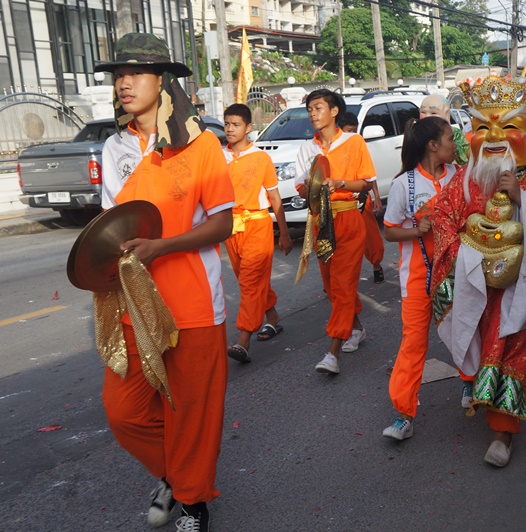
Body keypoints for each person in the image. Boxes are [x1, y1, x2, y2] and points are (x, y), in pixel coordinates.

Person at [95, 33, 235, 531]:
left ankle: (194, 503)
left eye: (134, 73)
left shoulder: (201, 146)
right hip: (135, 302)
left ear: (163, 80)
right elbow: (112, 223)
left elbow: (221, 222)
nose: (123, 83)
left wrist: (162, 246)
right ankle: (175, 476)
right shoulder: (113, 148)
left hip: (194, 301)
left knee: (193, 412)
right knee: (124, 411)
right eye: (117, 74)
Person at [432, 72, 526, 467]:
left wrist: (521, 198)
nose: (493, 135)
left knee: (513, 355)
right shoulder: (462, 182)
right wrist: (468, 258)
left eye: (508, 126)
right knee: (482, 349)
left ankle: (502, 435)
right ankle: (484, 401)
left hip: (518, 291)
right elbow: (443, 221)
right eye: (480, 127)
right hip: (475, 287)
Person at [381, 116, 457, 440]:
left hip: (456, 274)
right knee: (413, 344)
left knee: (463, 334)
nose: (456, 145)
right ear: (433, 146)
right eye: (450, 139)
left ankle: (471, 384)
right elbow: (389, 231)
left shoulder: (459, 176)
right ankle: (403, 415)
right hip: (417, 278)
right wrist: (417, 229)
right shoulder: (405, 184)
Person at [295, 89, 376, 374]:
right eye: (309, 109)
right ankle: (357, 328)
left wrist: (340, 183)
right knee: (332, 286)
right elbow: (302, 188)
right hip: (321, 223)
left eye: (318, 108)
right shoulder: (308, 149)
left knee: (342, 284)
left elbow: (366, 183)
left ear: (334, 112)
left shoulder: (354, 142)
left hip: (349, 219)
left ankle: (333, 352)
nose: (313, 114)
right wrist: (313, 187)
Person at [223, 103, 293, 363]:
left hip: (258, 225)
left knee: (251, 282)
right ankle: (272, 319)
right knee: (249, 282)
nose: (230, 129)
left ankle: (243, 338)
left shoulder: (261, 158)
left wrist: (283, 232)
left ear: (248, 128)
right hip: (231, 228)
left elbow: (274, 196)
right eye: (227, 124)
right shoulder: (220, 157)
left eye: (236, 124)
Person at [340, 111, 385, 283]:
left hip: (361, 198)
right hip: (340, 203)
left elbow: (369, 175)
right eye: (348, 130)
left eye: (354, 130)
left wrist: (377, 198)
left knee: (371, 236)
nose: (352, 134)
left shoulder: (359, 145)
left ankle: (376, 265)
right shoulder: (330, 148)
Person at [419, 94, 470, 165]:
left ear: (446, 113)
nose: (427, 116)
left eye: (433, 113)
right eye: (423, 112)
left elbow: (465, 159)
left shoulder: (454, 133)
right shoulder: (416, 134)